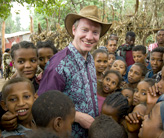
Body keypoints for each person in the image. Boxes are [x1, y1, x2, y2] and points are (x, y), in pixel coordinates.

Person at [37, 5, 112, 137]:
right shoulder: (59, 64)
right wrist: (76, 116)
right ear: (74, 30)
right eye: (85, 30)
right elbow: (43, 104)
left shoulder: (90, 60)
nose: (89, 37)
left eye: (95, 32)